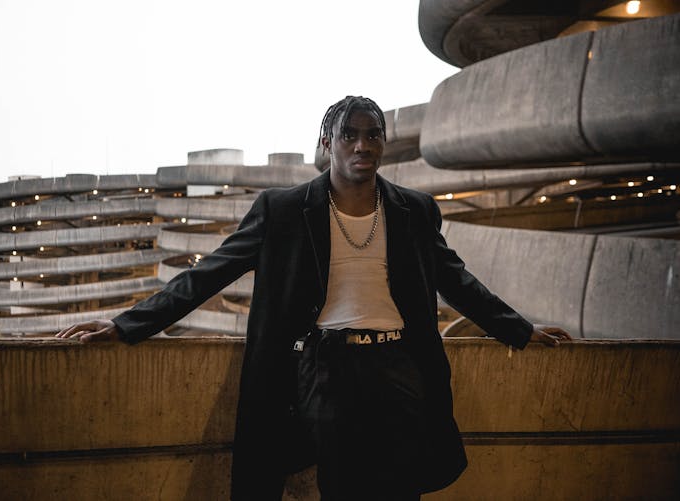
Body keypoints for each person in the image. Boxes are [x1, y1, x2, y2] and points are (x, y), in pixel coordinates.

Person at [57, 96, 571, 501]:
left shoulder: (413, 211)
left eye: (373, 135)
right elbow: (208, 273)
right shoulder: (282, 211)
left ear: (383, 145)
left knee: (401, 489)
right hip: (327, 368)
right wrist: (127, 324)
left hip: (400, 364)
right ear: (327, 142)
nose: (362, 145)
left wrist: (521, 329)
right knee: (344, 488)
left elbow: (457, 280)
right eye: (349, 134)